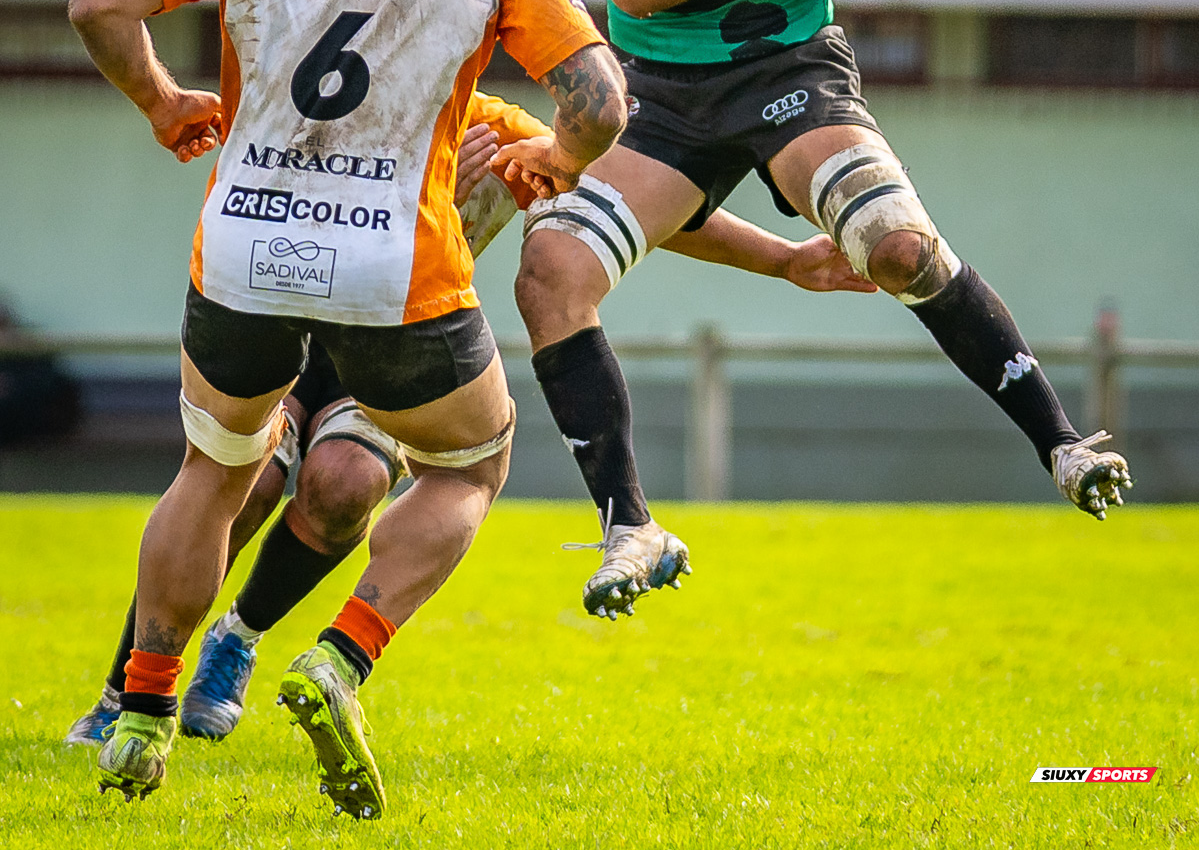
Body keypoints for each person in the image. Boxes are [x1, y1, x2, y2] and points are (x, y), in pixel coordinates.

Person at [504, 0, 1133, 621]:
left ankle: (1058, 443)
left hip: (788, 66)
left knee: (892, 248)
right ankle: (631, 525)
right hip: (662, 90)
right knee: (550, 272)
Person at [67, 0, 627, 817]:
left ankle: (141, 707)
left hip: (243, 249)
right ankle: (341, 654)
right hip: (395, 268)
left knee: (213, 472)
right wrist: (555, 159)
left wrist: (159, 99)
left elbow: (99, 2)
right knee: (469, 467)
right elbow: (603, 101)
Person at [67, 93, 873, 745]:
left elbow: (639, 202)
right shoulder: (314, 105)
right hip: (275, 325)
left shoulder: (494, 129)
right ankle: (123, 693)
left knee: (344, 482)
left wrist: (785, 258)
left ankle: (235, 642)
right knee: (238, 490)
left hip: (389, 354)